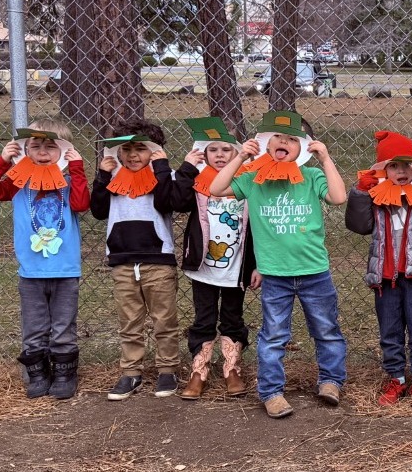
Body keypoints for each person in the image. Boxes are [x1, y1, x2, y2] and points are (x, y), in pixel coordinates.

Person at [209, 110, 349, 419]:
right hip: (275, 275)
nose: (283, 142)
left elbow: (339, 197)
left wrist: (325, 159)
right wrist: (240, 157)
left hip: (314, 272)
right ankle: (271, 392)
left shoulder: (311, 177)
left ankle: (331, 381)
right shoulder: (253, 179)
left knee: (326, 330)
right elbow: (216, 189)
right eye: (277, 137)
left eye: (292, 139)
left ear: (304, 147)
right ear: (265, 144)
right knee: (273, 336)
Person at [0, 121, 90, 399]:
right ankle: (38, 373)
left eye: (50, 146)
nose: (42, 152)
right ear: (25, 151)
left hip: (65, 270)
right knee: (34, 326)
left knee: (63, 326)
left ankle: (64, 373)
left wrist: (76, 168)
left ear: (64, 151)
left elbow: (81, 204)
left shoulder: (68, 183)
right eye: (35, 146)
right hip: (31, 272)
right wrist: (3, 161)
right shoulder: (19, 184)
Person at [347, 130, 412, 409]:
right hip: (385, 276)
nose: (401, 171)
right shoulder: (376, 195)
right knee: (390, 331)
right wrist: (361, 193)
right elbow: (359, 225)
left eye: (407, 165)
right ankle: (396, 378)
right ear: (384, 170)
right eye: (394, 166)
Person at [92, 121, 193, 401]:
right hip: (123, 260)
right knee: (129, 321)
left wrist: (161, 168)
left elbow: (168, 203)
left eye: (141, 149)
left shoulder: (164, 175)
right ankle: (131, 372)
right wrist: (102, 177)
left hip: (157, 260)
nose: (133, 155)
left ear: (155, 150)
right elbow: (98, 210)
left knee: (164, 320)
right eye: (126, 149)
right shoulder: (113, 177)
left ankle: (167, 370)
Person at [172, 117, 258, 400]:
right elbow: (176, 202)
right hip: (204, 267)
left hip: (236, 267)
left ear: (237, 152)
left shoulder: (247, 180)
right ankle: (199, 370)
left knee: (233, 318)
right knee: (204, 318)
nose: (219, 155)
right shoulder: (198, 180)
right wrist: (187, 168)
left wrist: (256, 265)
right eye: (213, 150)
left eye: (225, 149)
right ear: (204, 153)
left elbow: (258, 226)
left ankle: (232, 368)